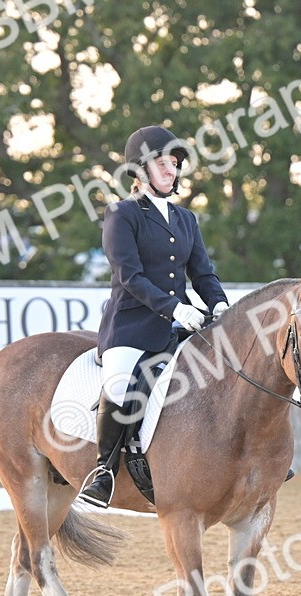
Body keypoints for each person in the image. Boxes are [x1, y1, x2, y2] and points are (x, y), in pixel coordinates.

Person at [78, 125, 229, 508]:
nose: (171, 171)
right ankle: (104, 472)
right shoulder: (122, 214)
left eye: (175, 164)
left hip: (176, 328)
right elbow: (130, 277)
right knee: (119, 385)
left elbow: (203, 274)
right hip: (131, 327)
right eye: (163, 163)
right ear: (141, 169)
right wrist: (176, 308)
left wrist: (220, 306)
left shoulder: (186, 219)